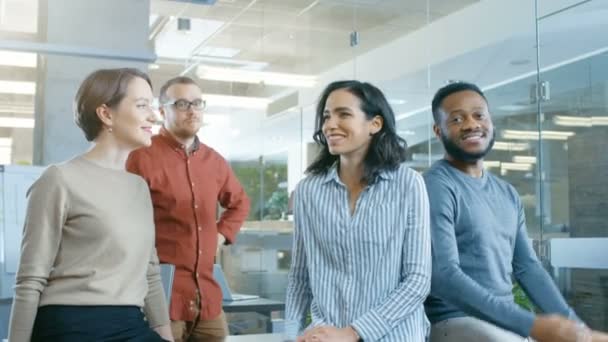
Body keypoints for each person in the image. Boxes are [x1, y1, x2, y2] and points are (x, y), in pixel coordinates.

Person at [424, 81, 608, 342]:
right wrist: (531, 325)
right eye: (456, 119)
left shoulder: (507, 193)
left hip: (503, 321)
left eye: (479, 115)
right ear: (438, 130)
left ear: (491, 122)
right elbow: (446, 276)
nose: (471, 124)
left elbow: (528, 268)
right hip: (456, 320)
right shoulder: (436, 187)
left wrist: (577, 329)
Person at [8, 68, 173, 342]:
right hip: (71, 327)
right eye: (142, 105)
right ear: (106, 114)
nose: (154, 116)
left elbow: (150, 273)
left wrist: (167, 338)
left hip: (131, 324)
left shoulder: (139, 187)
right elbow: (30, 279)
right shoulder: (59, 179)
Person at [285, 80, 431, 342]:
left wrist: (353, 333)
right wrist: (290, 335)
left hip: (395, 336)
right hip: (327, 335)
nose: (330, 125)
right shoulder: (308, 191)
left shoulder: (408, 184)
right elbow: (300, 277)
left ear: (375, 124)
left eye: (344, 114)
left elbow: (417, 280)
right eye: (327, 116)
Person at [127, 76, 250, 341]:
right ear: (162, 112)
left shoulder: (215, 161)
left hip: (207, 299)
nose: (192, 110)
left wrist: (220, 234)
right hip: (161, 300)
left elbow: (239, 202)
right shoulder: (140, 158)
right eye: (182, 103)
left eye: (197, 103)